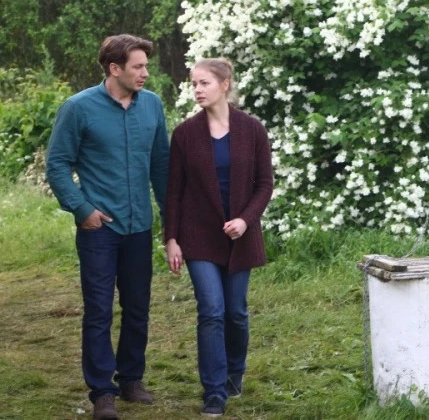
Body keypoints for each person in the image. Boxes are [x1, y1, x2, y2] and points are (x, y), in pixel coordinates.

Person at [46, 34, 170, 420]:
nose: (145, 73)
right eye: (138, 66)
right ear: (114, 68)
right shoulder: (78, 108)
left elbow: (161, 167)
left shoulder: (152, 105)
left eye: (146, 66)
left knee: (138, 306)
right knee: (98, 310)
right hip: (99, 229)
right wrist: (82, 209)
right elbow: (57, 164)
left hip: (139, 226)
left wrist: (172, 223)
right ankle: (102, 391)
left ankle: (131, 379)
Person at [163, 58, 273, 418]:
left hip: (240, 236)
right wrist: (171, 238)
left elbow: (264, 184)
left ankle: (233, 373)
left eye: (204, 83)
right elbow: (174, 191)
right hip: (198, 236)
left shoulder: (252, 130)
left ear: (225, 84)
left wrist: (245, 220)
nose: (197, 90)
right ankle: (213, 391)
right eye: (193, 83)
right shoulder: (185, 134)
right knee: (211, 310)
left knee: (235, 313)